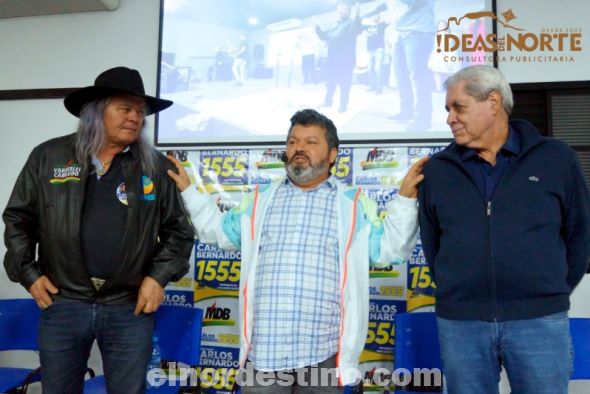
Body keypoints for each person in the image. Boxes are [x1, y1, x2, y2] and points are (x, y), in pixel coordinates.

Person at [167, 109, 427, 392]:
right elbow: (216, 231)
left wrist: (404, 199)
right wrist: (188, 190)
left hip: (325, 355)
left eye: (311, 142)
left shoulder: (354, 204)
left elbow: (388, 250)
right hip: (263, 355)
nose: (299, 148)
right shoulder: (259, 201)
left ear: (332, 154)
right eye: (293, 142)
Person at [3, 66, 195, 393]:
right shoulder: (48, 157)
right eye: (125, 108)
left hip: (128, 306)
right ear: (96, 111)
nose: (135, 117)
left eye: (140, 111)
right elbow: (18, 219)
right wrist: (28, 274)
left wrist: (158, 276)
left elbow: (179, 231)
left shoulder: (156, 167)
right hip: (63, 302)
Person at [418, 65, 590, 394]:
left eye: (459, 107)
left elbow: (579, 236)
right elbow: (433, 242)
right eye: (447, 109)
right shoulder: (438, 170)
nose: (450, 118)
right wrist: (462, 290)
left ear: (493, 103)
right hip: (462, 325)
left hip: (539, 321)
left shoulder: (556, 158)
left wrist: (546, 291)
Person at [389, 0, 435, 131]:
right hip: (399, 35)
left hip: (418, 32)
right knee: (401, 76)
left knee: (419, 77)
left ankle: (423, 118)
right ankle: (406, 111)